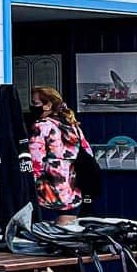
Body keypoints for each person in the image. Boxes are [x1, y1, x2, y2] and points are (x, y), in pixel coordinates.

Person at [27, 86, 93, 218]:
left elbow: (36, 161)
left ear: (48, 105)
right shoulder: (73, 126)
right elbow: (88, 153)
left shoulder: (41, 126)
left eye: (35, 103)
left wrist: (29, 185)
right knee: (67, 233)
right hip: (73, 191)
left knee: (46, 234)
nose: (32, 107)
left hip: (47, 193)